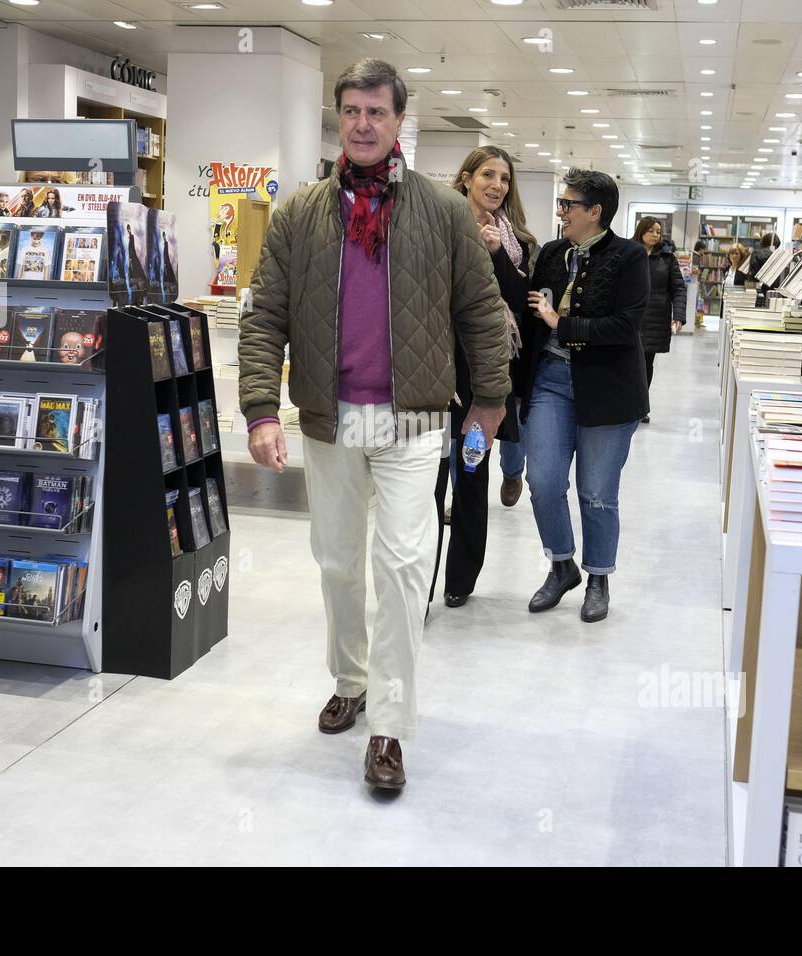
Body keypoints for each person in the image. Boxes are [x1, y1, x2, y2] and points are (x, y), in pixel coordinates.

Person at [239, 58, 510, 791]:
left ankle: (389, 725)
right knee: (335, 562)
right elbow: (264, 316)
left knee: (400, 568)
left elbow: (482, 313)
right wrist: (262, 408)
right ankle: (350, 678)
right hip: (332, 421)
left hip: (414, 422)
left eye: (377, 113)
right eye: (352, 111)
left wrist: (488, 406)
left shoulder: (442, 212)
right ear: (341, 118)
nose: (363, 124)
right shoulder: (301, 214)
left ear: (399, 123)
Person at [522, 168, 648, 624]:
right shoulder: (553, 253)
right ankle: (561, 567)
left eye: (568, 204)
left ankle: (598, 578)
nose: (560, 212)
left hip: (608, 391)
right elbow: (527, 309)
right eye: (560, 203)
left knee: (596, 493)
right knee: (544, 482)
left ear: (595, 212)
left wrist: (563, 324)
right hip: (552, 382)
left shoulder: (629, 256)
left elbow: (625, 327)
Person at [431, 145, 535, 609]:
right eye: (488, 175)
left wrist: (495, 255)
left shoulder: (515, 241)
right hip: (432, 376)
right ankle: (421, 581)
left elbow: (519, 301)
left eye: (505, 179)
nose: (497, 185)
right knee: (427, 482)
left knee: (472, 478)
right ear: (467, 177)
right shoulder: (436, 225)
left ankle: (459, 582)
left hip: (483, 384)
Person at [633, 216, 685, 424]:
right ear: (641, 231)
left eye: (658, 231)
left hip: (655, 319)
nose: (655, 235)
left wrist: (679, 316)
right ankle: (628, 403)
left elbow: (678, 288)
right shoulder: (629, 253)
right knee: (628, 363)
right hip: (630, 318)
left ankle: (641, 408)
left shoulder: (667, 258)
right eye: (651, 231)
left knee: (646, 364)